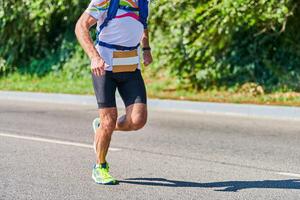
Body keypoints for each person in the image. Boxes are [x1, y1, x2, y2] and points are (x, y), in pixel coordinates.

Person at [75, 0, 152, 185]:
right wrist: (94, 57)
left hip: (131, 67)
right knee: (108, 119)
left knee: (138, 120)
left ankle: (102, 127)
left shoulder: (144, 1)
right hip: (104, 67)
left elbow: (143, 23)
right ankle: (100, 167)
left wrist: (146, 48)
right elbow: (81, 26)